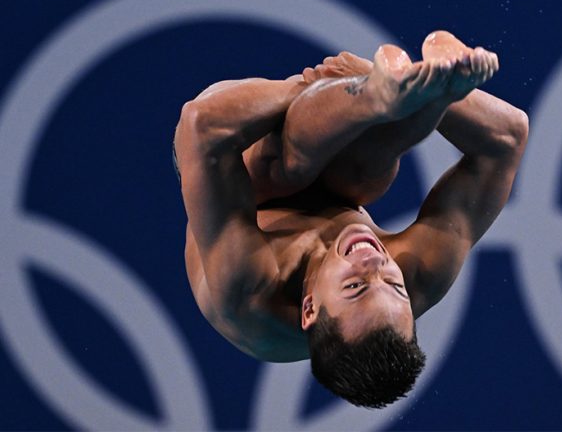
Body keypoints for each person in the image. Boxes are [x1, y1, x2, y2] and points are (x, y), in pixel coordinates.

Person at [173, 31, 528, 408]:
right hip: (345, 167)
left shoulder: (249, 289)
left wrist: (326, 86)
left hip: (243, 160)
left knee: (285, 166)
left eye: (356, 286)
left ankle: (386, 96)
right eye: (394, 284)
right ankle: (436, 88)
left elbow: (200, 127)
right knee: (367, 167)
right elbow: (508, 137)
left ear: (309, 309)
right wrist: (454, 90)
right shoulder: (419, 274)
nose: (374, 261)